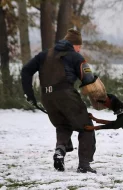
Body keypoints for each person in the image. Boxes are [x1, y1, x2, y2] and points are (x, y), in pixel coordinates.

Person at [21, 29, 106, 173]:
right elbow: (88, 79)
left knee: (63, 125)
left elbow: (26, 71)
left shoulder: (44, 55)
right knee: (86, 126)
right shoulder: (76, 57)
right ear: (75, 45)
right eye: (79, 46)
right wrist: (101, 93)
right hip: (66, 95)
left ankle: (60, 151)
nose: (80, 49)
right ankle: (84, 165)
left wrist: (30, 95)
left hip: (47, 97)